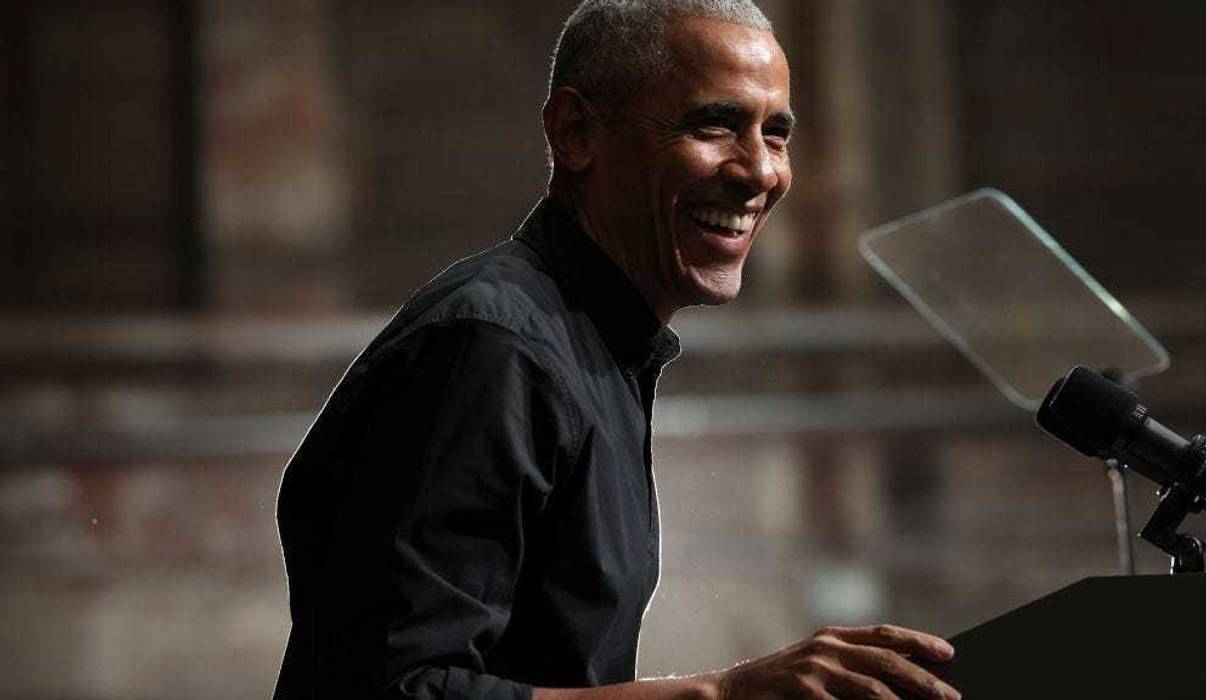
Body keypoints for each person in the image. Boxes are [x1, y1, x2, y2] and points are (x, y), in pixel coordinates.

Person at [273, 2, 961, 699]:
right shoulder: (492, 347)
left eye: (775, 134)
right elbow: (389, 689)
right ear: (575, 133)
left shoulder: (591, 341)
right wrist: (718, 696)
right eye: (714, 123)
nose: (759, 172)